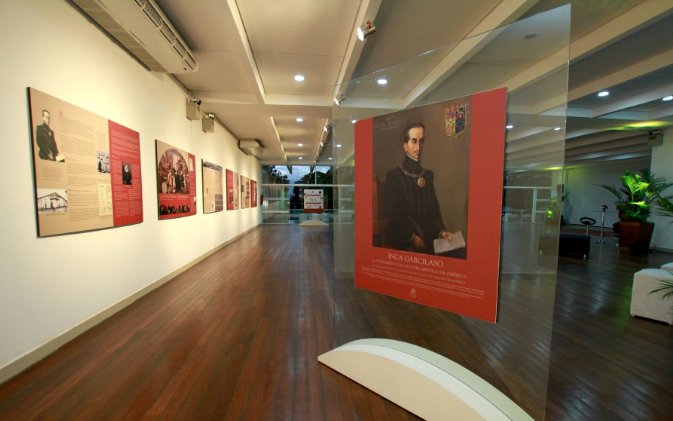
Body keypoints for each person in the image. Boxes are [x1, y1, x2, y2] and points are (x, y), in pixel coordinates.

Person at [382, 123, 459, 254]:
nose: (418, 147)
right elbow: (393, 213)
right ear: (405, 146)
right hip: (404, 237)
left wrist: (442, 231)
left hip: (429, 236)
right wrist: (412, 237)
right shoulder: (394, 176)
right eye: (414, 141)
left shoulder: (427, 175)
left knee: (459, 250)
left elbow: (434, 209)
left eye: (421, 141)